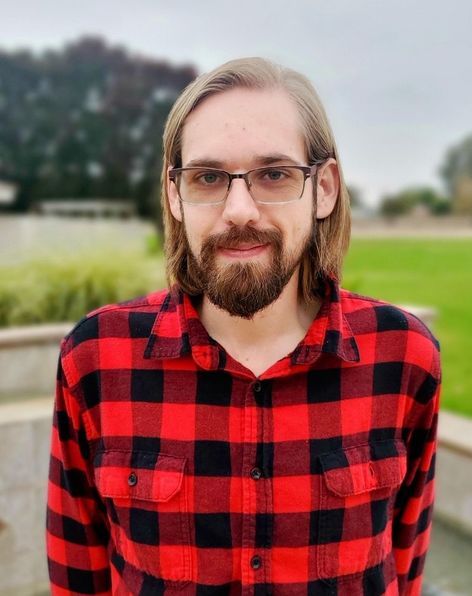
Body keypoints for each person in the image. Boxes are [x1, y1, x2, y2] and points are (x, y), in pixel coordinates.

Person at [46, 57, 442, 596]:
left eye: (274, 174)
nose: (239, 210)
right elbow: (78, 572)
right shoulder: (96, 359)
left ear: (324, 188)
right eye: (208, 177)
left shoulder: (403, 356)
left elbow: (405, 561)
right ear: (174, 195)